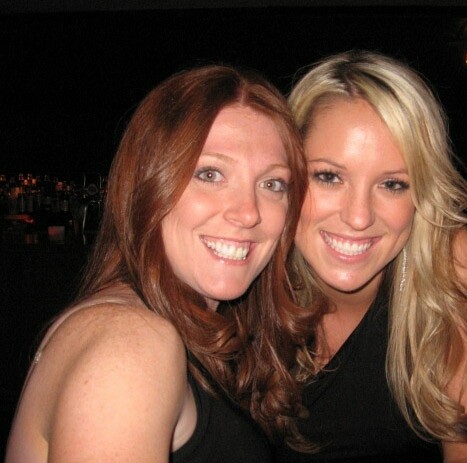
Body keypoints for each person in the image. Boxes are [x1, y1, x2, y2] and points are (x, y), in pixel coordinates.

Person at [5, 64, 318, 462]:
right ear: (147, 186)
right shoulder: (130, 345)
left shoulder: (183, 332)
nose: (248, 212)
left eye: (272, 184)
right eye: (210, 173)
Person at [275, 50, 467, 462]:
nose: (359, 217)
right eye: (329, 176)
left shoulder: (448, 262)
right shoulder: (242, 276)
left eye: (393, 184)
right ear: (286, 172)